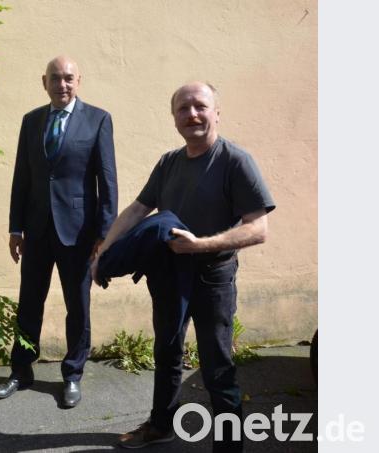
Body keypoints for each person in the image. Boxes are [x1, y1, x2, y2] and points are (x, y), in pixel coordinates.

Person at [91, 82, 275, 452]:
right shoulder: (168, 162)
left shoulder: (234, 161)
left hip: (213, 278)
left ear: (216, 112)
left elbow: (259, 228)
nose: (192, 114)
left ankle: (229, 445)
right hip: (169, 273)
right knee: (167, 351)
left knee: (217, 366)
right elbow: (138, 210)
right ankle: (161, 425)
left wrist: (200, 245)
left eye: (200, 106)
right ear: (174, 118)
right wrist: (103, 253)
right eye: (182, 109)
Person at [0, 56, 117, 408]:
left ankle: (73, 374)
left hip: (78, 233)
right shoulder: (31, 121)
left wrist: (104, 235)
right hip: (36, 230)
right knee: (29, 301)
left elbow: (107, 181)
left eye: (68, 78)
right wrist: (16, 227)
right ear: (43, 81)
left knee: (78, 306)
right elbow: (23, 177)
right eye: (55, 78)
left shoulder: (98, 120)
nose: (62, 85)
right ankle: (21, 370)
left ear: (79, 81)